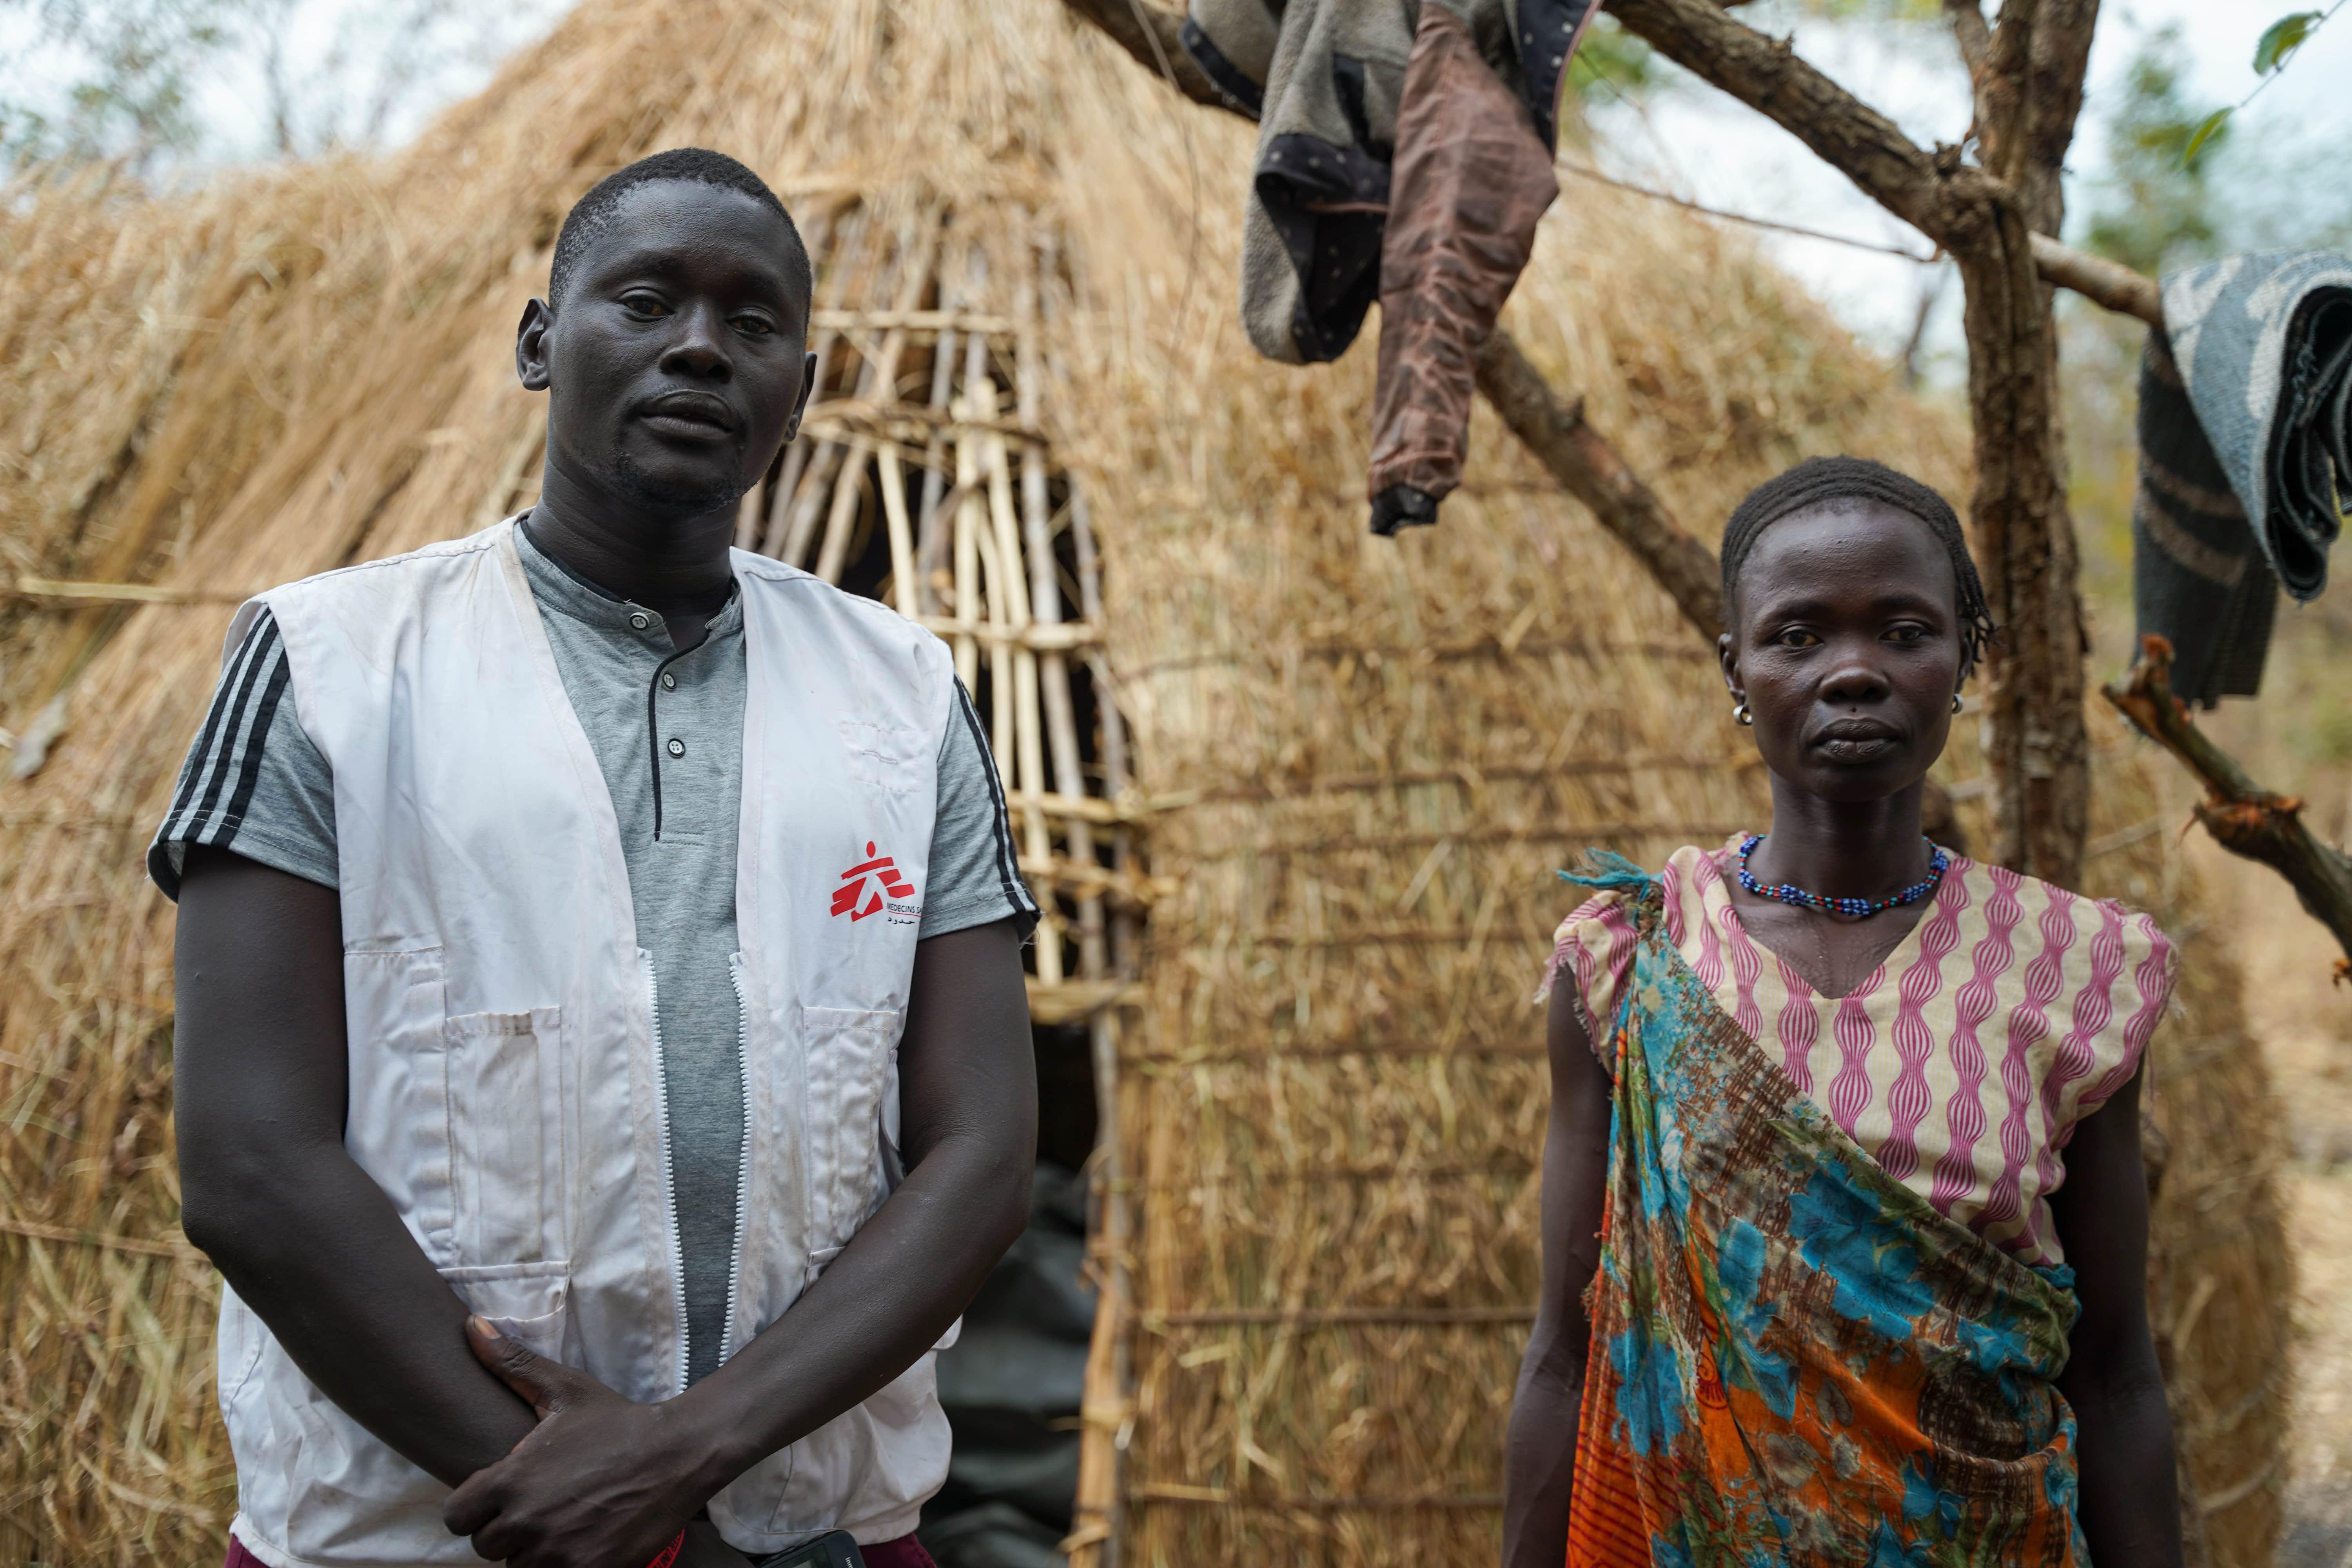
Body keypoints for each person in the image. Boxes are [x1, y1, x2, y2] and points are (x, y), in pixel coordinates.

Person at [158, 148, 1040, 1568]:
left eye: (754, 324)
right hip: (432, 1532)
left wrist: (685, 1457)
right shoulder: (327, 664)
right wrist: (556, 1489)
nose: (699, 344)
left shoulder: (905, 694)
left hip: (811, 1530)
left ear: (798, 395)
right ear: (536, 343)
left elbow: (985, 1153)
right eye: (645, 300)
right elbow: (251, 1162)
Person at [1501, 457, 2184, 1566]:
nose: (1853, 673)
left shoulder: (2075, 969)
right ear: (1739, 667)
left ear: (1964, 655)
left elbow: (2114, 1377)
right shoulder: (1634, 961)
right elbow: (1565, 1357)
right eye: (1800, 636)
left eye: (1904, 631)